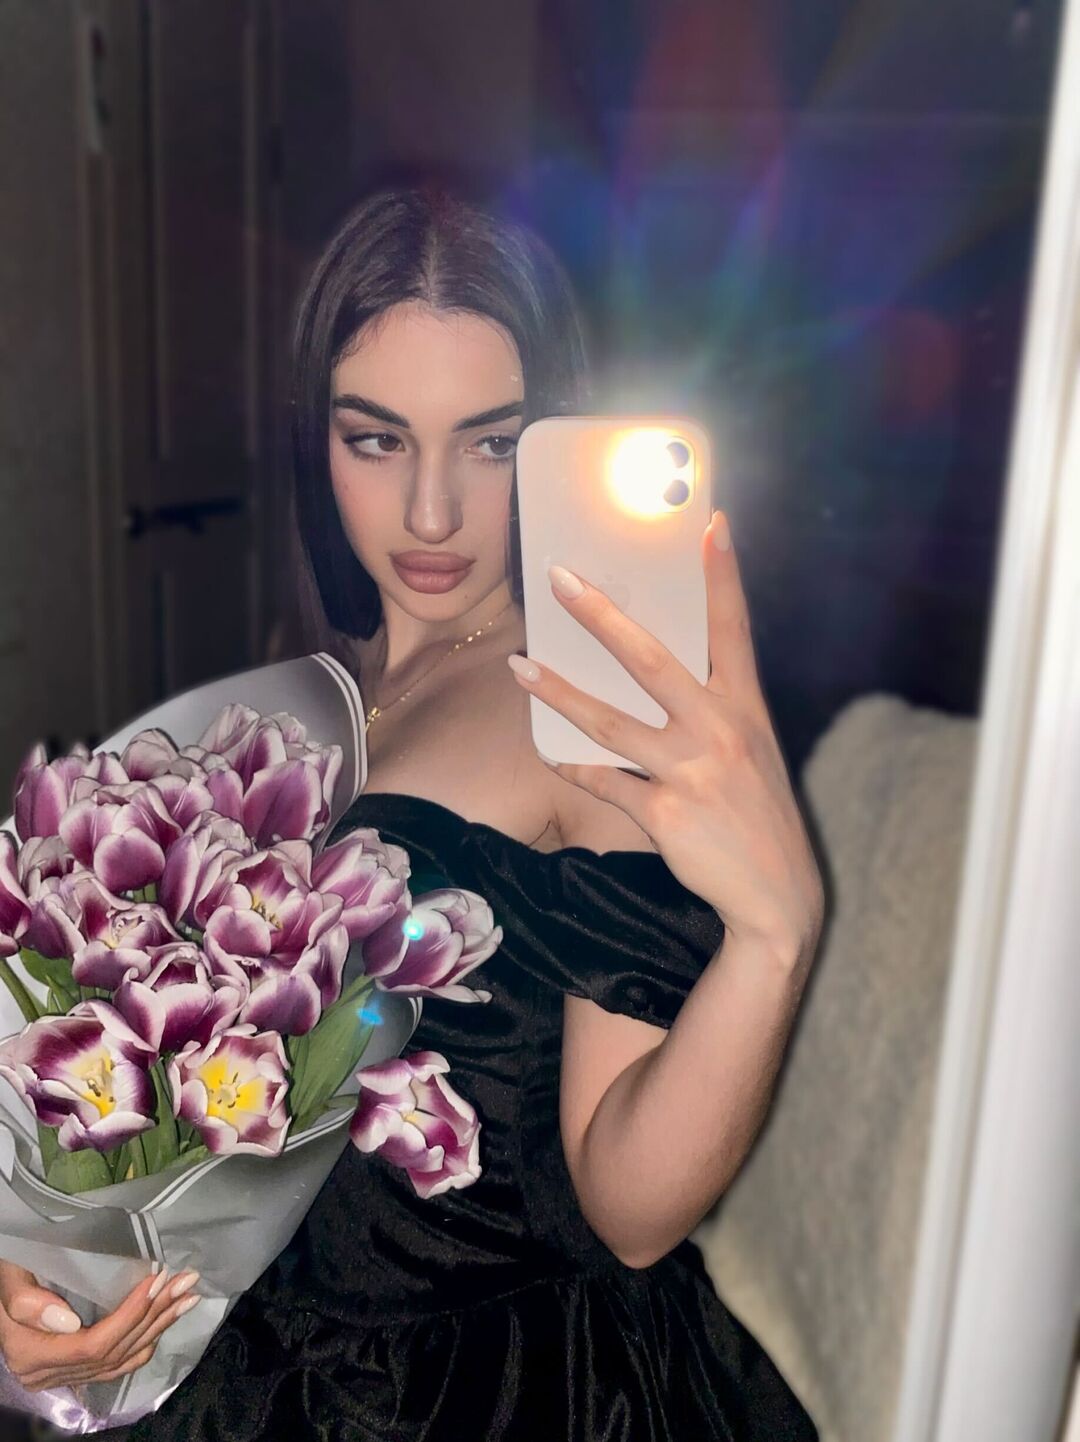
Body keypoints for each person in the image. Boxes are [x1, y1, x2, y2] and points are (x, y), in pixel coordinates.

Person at [0, 185, 825, 1440]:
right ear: (314, 441)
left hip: (480, 1384)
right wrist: (44, 1258)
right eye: (376, 439)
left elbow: (630, 1209)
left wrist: (774, 939)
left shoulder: (584, 704)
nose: (432, 513)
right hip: (256, 1356)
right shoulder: (307, 687)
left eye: (491, 444)